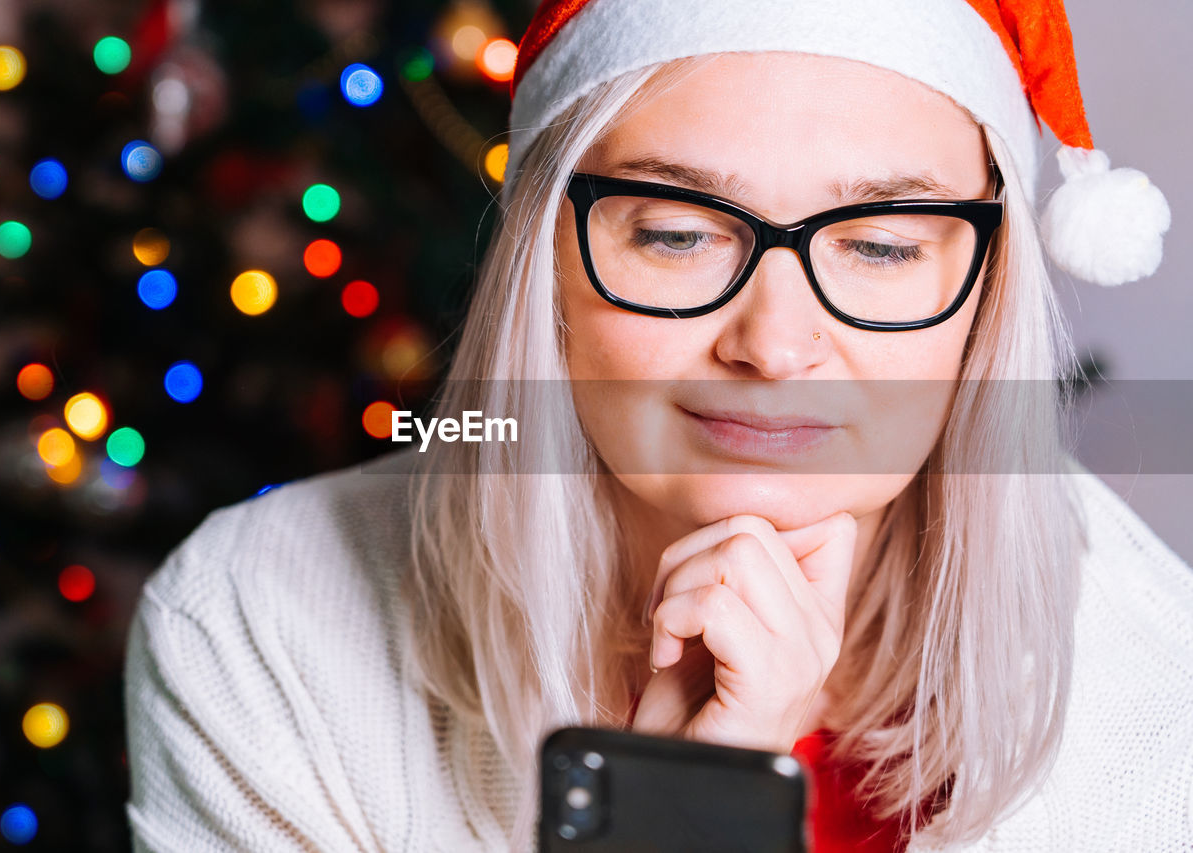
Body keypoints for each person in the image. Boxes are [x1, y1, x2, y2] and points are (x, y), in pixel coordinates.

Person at [123, 0, 1190, 850]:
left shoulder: (1156, 693)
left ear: (983, 295)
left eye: (879, 246)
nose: (775, 345)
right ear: (542, 264)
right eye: (677, 236)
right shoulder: (260, 624)